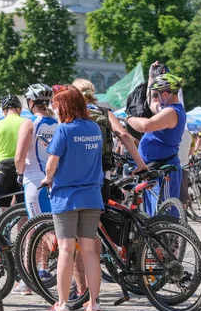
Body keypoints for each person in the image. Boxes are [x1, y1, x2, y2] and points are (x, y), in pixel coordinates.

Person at [41, 85, 104, 311]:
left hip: (66, 197)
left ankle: (63, 304)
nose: (54, 108)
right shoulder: (95, 128)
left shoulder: (63, 130)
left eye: (56, 104)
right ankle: (94, 304)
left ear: (64, 105)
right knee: (89, 251)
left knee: (66, 249)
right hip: (92, 196)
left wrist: (48, 179)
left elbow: (51, 164)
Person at [13, 84, 57, 296]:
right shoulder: (57, 122)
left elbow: (19, 156)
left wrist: (19, 173)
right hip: (55, 181)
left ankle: (27, 279)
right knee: (51, 225)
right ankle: (44, 269)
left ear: (30, 102)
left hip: (34, 181)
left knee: (33, 230)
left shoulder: (29, 123)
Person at [73, 78, 148, 201]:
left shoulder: (69, 114)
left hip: (76, 172)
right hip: (101, 170)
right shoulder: (104, 112)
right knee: (100, 210)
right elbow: (123, 135)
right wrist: (140, 164)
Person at [126, 73, 186, 215]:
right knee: (153, 213)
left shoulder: (172, 111)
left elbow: (146, 126)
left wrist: (128, 119)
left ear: (165, 94)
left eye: (157, 95)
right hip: (153, 169)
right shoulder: (167, 109)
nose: (155, 99)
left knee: (165, 214)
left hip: (163, 169)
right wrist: (152, 77)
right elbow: (151, 104)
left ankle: (170, 237)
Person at [0, 94, 26, 213]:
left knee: (1, 207)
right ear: (19, 109)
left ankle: (2, 231)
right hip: (23, 167)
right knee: (23, 209)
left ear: (4, 111)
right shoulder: (26, 123)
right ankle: (24, 232)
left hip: (4, 168)